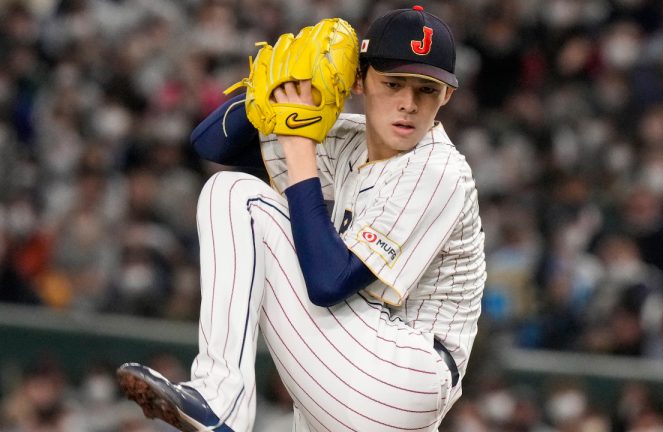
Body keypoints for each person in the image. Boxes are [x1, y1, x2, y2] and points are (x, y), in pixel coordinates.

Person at [117, 5, 485, 432]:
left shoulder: (436, 169)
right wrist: (277, 94)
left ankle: (221, 398)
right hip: (347, 369)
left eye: (425, 89)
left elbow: (328, 283)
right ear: (360, 80)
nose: (407, 103)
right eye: (393, 83)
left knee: (238, 195)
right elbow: (210, 144)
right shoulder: (347, 140)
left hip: (400, 375)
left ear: (447, 96)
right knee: (227, 186)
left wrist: (298, 145)